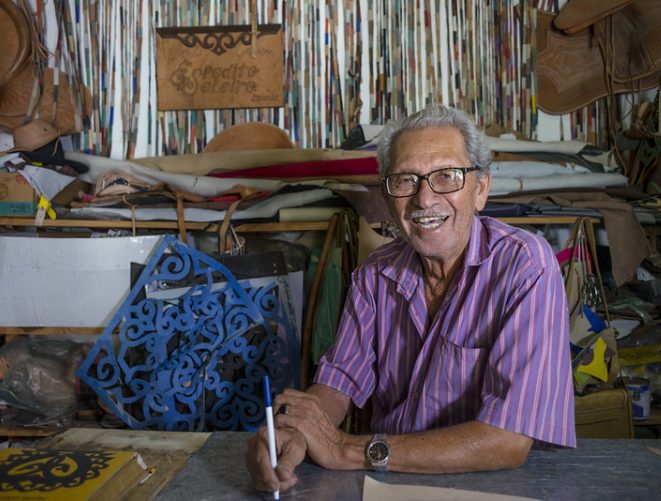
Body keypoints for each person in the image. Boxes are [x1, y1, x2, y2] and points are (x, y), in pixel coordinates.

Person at [247, 105, 576, 493]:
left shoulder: (524, 266)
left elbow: (508, 441)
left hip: (490, 486)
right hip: (391, 486)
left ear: (481, 189)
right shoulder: (375, 274)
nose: (424, 199)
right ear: (388, 198)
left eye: (447, 177)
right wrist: (298, 432)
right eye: (405, 180)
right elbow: (339, 382)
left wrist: (347, 448)